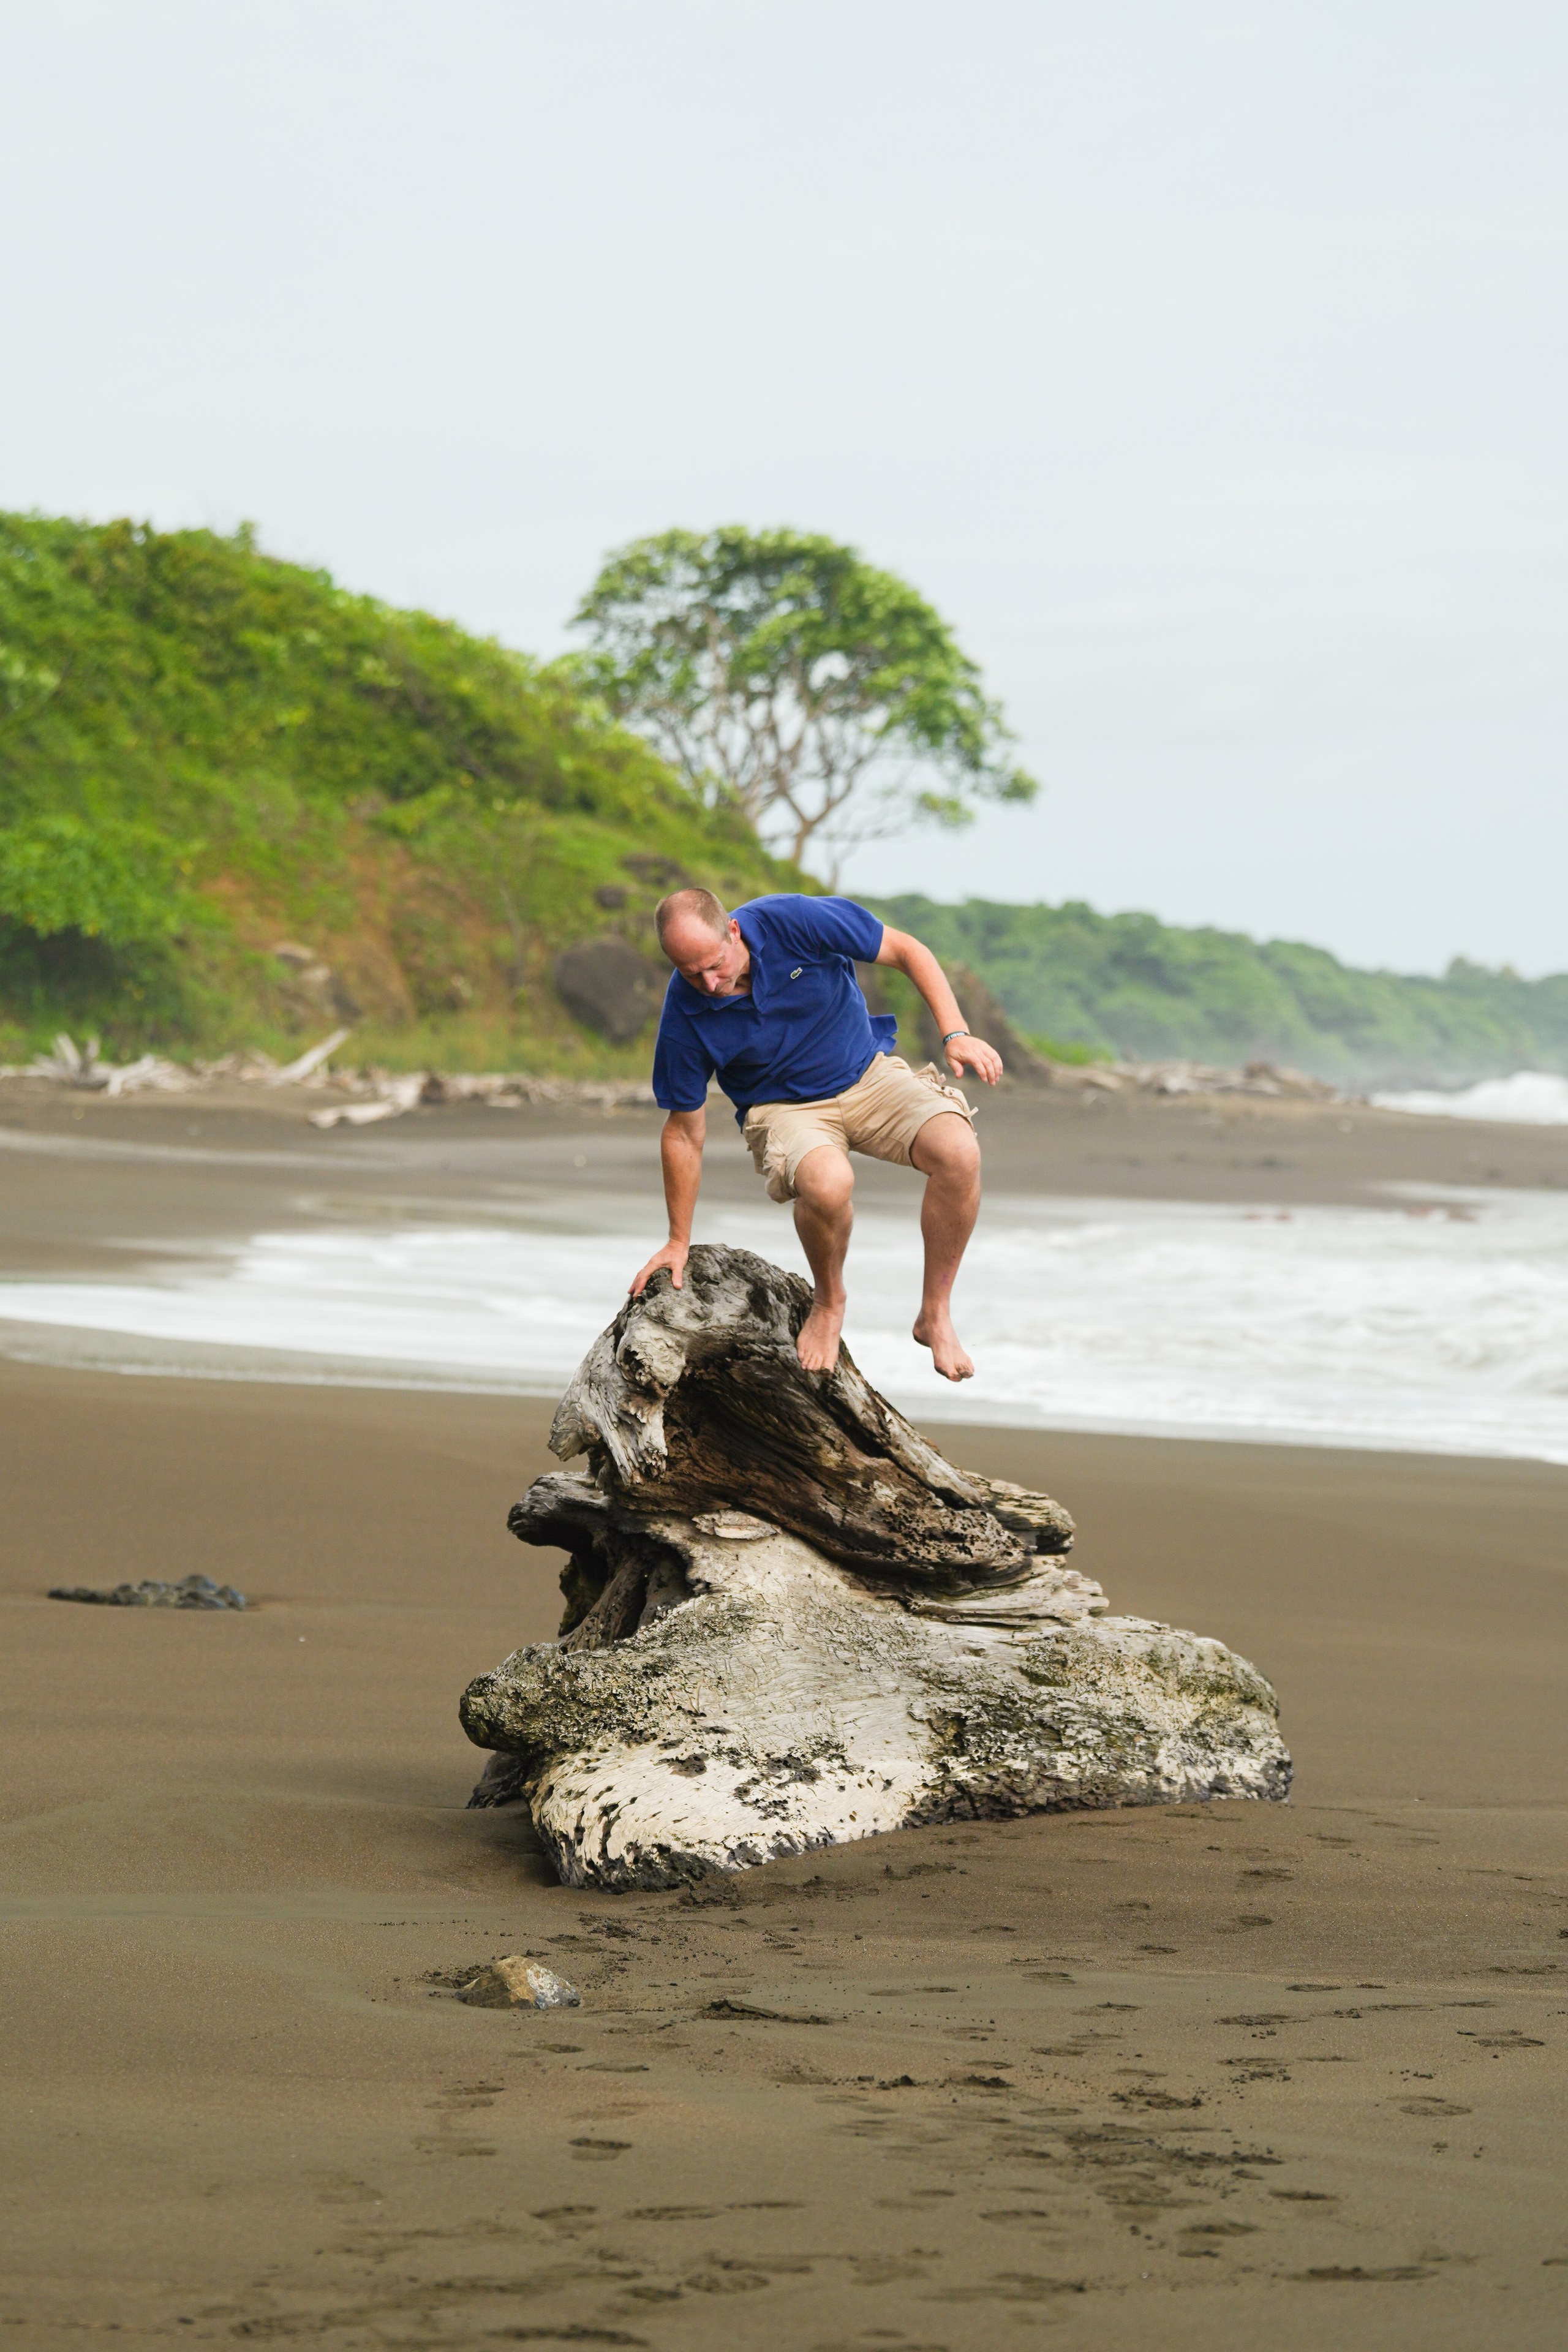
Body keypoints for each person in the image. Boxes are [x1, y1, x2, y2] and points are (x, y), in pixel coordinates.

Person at [629, 888, 1003, 1379]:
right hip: (783, 1108)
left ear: (733, 932)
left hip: (867, 1074)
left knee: (959, 1151)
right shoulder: (685, 1012)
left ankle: (935, 1312)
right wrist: (679, 1240)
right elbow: (683, 1132)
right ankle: (829, 1303)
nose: (710, 982)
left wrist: (955, 1033)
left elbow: (908, 951)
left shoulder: (795, 921)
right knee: (828, 1184)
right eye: (690, 972)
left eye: (715, 964)